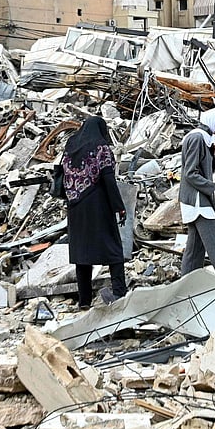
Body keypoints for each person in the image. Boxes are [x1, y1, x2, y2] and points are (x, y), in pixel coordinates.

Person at [61, 116, 127, 308]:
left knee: (82, 255)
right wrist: (119, 206)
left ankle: (84, 301)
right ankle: (119, 293)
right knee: (113, 249)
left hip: (75, 207)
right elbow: (108, 179)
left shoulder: (71, 146)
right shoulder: (101, 148)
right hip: (98, 205)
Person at [178, 107, 215, 275]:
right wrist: (214, 187)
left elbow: (206, 169)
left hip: (197, 198)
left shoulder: (205, 138)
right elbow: (190, 173)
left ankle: (187, 281)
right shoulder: (197, 138)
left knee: (195, 247)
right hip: (196, 199)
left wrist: (214, 152)